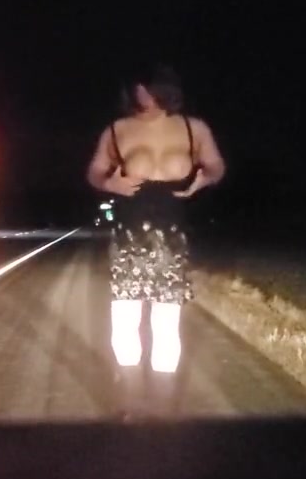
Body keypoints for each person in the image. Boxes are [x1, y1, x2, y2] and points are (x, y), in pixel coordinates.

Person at [85, 64, 225, 410]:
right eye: (137, 88)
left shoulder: (194, 128)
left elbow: (216, 166)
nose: (142, 95)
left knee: (166, 322)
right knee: (126, 319)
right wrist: (109, 183)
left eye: (148, 88)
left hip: (171, 235)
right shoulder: (117, 130)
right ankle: (130, 400)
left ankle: (162, 405)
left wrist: (203, 180)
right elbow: (94, 172)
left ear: (165, 89)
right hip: (130, 233)